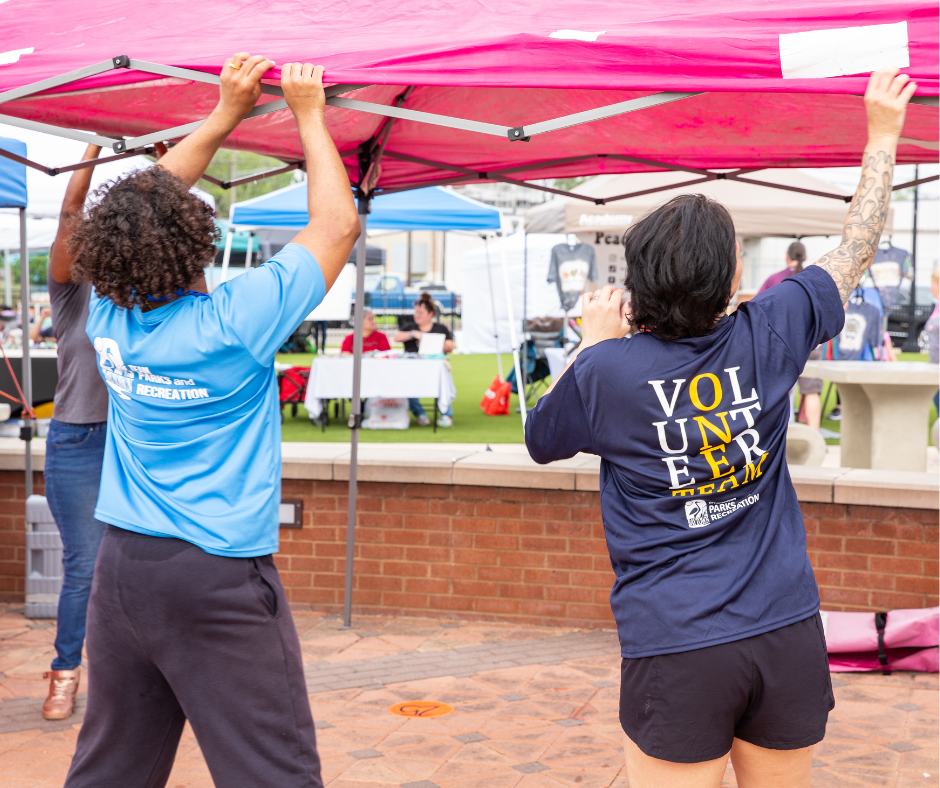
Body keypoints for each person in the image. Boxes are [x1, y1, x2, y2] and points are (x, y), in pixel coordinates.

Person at [524, 70, 914, 787]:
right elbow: (859, 244)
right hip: (783, 630)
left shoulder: (607, 372)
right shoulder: (773, 328)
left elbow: (540, 438)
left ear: (638, 282)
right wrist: (882, 134)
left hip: (676, 643)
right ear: (732, 276)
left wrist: (592, 341)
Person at [62, 55, 360, 787]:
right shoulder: (233, 323)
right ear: (194, 244)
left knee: (111, 770)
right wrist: (308, 112)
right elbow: (338, 224)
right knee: (273, 772)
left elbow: (146, 198)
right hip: (214, 578)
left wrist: (225, 112)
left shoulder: (108, 313)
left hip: (123, 571)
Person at [40, 145, 108, 721]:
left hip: (140, 443)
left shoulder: (147, 290)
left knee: (151, 561)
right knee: (87, 563)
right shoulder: (71, 294)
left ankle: (143, 675)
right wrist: (93, 148)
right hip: (81, 442)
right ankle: (65, 672)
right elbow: (69, 214)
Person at [394, 291, 455, 427]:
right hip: (412, 368)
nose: (417, 316)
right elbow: (397, 337)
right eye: (416, 312)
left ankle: (446, 414)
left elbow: (450, 346)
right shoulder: (410, 328)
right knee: (407, 384)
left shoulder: (440, 328)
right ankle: (420, 414)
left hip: (434, 368)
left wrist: (432, 341)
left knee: (442, 384)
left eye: (421, 313)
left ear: (430, 314)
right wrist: (414, 334)